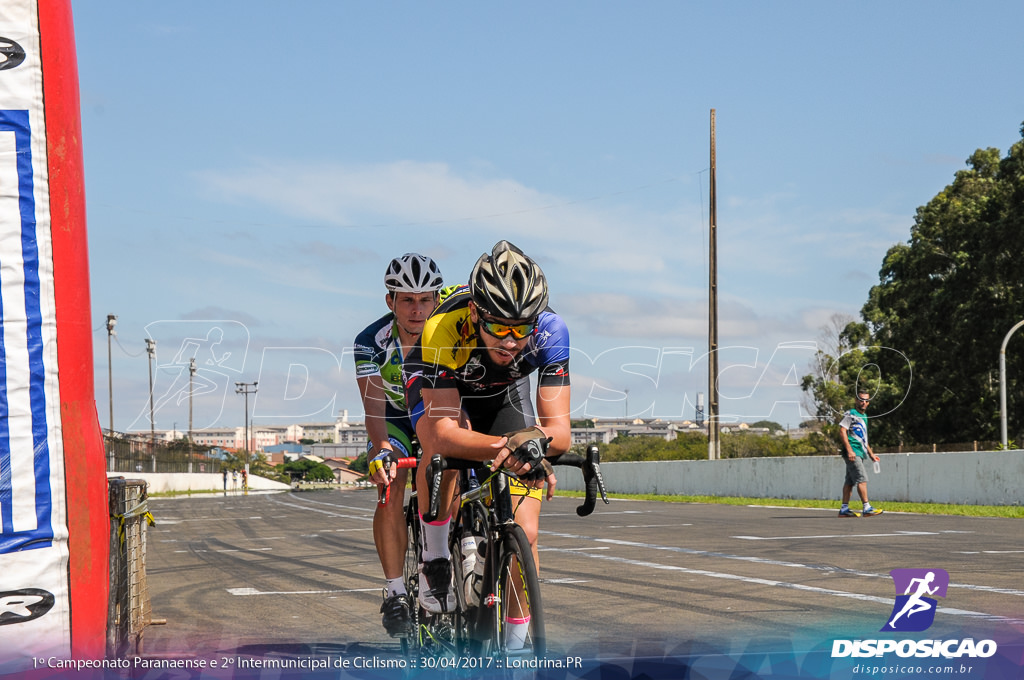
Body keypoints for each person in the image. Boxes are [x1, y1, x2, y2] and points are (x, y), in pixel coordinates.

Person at [404, 240, 571, 649]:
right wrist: (503, 447)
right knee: (442, 452)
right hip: (446, 393)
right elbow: (443, 431)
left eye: (521, 328)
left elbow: (559, 431)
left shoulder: (551, 332)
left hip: (505, 395)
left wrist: (530, 443)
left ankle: (515, 649)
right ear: (476, 313)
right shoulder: (444, 327)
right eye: (498, 327)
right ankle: (437, 553)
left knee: (526, 533)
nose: (511, 341)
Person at [354, 253, 444, 636]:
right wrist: (383, 450)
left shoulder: (450, 332)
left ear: (438, 301)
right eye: (407, 299)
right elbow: (373, 408)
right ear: (390, 301)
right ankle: (394, 592)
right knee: (389, 484)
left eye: (426, 300)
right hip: (393, 418)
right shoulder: (369, 341)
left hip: (436, 411)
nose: (417, 309)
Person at [838, 391, 883, 517]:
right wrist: (849, 450)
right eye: (861, 400)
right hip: (853, 452)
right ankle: (867, 507)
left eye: (866, 401)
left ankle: (844, 509)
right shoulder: (851, 414)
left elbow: (863, 439)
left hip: (859, 452)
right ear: (856, 400)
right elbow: (842, 431)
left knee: (850, 481)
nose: (864, 403)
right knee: (862, 479)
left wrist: (871, 454)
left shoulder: (865, 417)